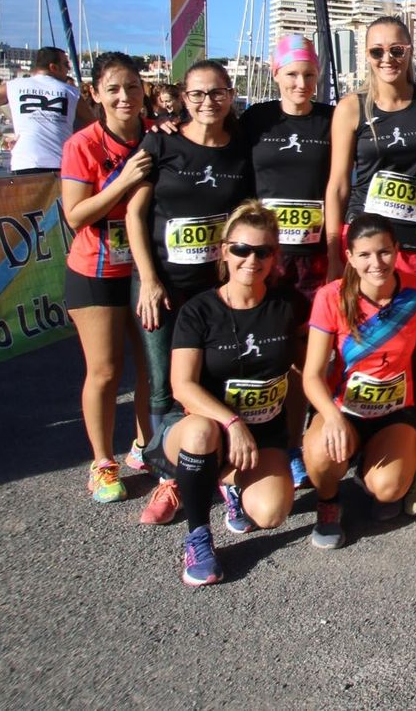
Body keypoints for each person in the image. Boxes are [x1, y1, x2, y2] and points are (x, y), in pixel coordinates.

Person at [324, 15, 416, 512]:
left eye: (397, 49)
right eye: (377, 52)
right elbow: (336, 185)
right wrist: (336, 257)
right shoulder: (351, 108)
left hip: (414, 249)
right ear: (365, 56)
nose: (388, 59)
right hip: (365, 252)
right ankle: (345, 442)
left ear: (411, 50)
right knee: (354, 352)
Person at [125, 60, 253, 526]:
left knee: (217, 379)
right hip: (164, 285)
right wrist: (149, 278)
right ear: (182, 96)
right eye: (196, 94)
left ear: (231, 94)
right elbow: (135, 215)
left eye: (216, 93)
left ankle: (227, 476)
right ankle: (169, 481)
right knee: (164, 385)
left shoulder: (243, 148)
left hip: (216, 291)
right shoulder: (160, 143)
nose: (206, 103)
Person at [164, 202, 304, 585]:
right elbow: (182, 385)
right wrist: (231, 421)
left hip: (265, 431)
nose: (251, 259)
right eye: (241, 249)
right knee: (200, 432)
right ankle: (198, 537)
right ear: (224, 250)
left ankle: (231, 485)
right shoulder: (198, 311)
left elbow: (305, 369)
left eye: (263, 251)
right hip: (207, 428)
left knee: (272, 513)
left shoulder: (288, 305)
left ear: (276, 255)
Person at [301, 214, 416, 548]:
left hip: (394, 412)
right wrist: (331, 418)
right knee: (320, 456)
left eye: (384, 252)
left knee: (389, 490)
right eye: (364, 255)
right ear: (349, 257)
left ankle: (368, 468)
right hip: (342, 409)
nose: (376, 263)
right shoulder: (331, 297)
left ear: (396, 250)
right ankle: (329, 503)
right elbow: (312, 374)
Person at [240, 34, 336, 487]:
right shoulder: (256, 119)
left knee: (301, 356)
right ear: (276, 75)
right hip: (262, 258)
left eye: (310, 75)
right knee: (259, 351)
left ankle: (295, 445)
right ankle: (251, 441)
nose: (302, 84)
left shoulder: (330, 120)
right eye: (293, 74)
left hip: (312, 259)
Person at [60, 52, 154, 502]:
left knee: (152, 369)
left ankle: (144, 447)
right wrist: (121, 183)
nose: (124, 97)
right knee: (106, 370)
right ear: (95, 94)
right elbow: (75, 216)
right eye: (113, 88)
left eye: (132, 87)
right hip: (95, 270)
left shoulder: (156, 136)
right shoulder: (82, 144)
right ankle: (101, 462)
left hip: (145, 270)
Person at [0, 46, 84, 174]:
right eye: (66, 64)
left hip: (24, 163)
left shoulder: (13, 86)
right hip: (61, 163)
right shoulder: (72, 92)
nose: (68, 68)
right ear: (53, 67)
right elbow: (92, 124)